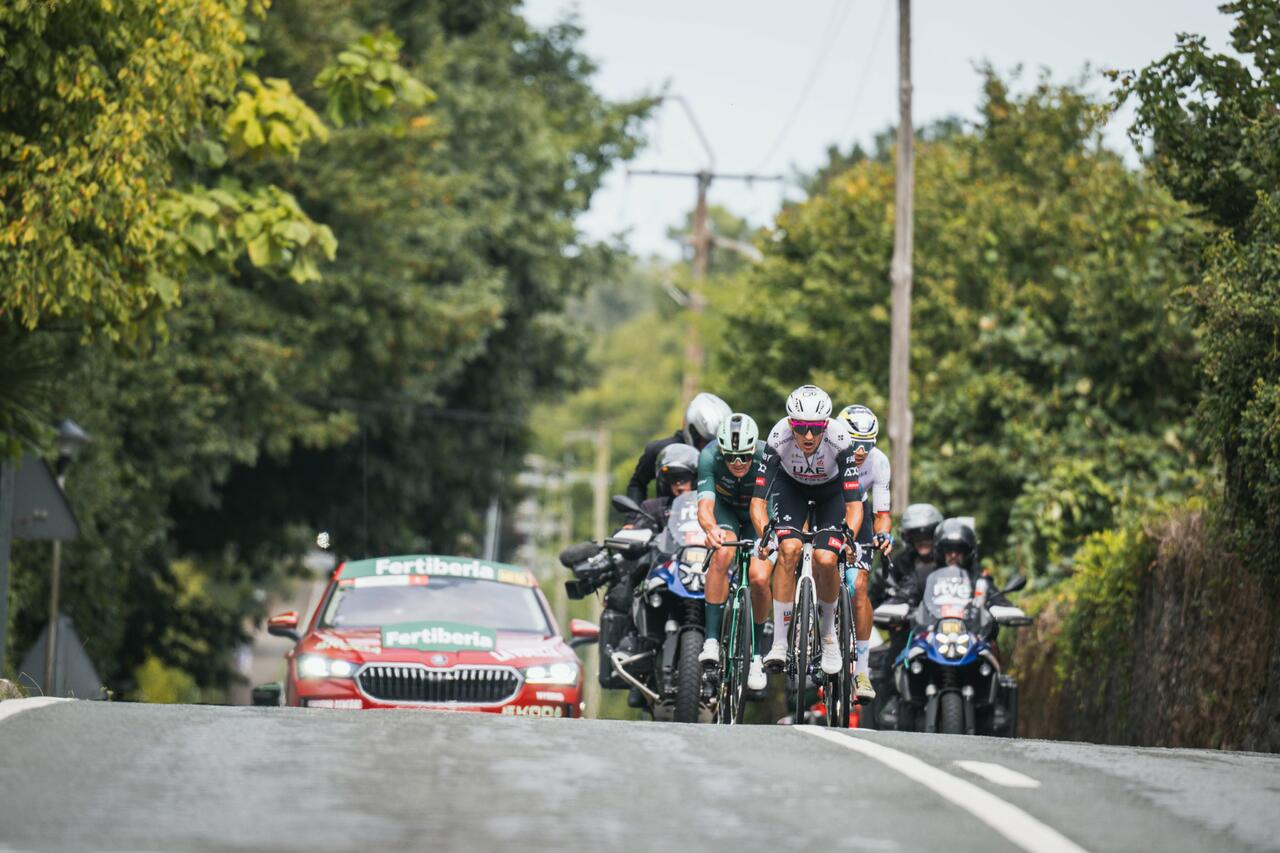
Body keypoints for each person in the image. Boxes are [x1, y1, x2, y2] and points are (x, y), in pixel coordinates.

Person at [748, 385, 868, 695]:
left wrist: (849, 538)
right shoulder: (777, 438)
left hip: (831, 495)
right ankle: (778, 643)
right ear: (790, 424)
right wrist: (765, 534)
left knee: (826, 558)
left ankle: (828, 637)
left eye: (816, 428)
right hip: (792, 490)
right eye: (801, 428)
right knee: (789, 549)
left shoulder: (840, 439)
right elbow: (758, 504)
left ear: (826, 425)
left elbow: (855, 505)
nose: (809, 436)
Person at [695, 413, 771, 691]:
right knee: (723, 552)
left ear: (754, 451)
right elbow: (704, 507)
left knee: (760, 577)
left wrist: (768, 538)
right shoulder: (708, 457)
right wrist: (711, 530)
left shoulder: (768, 456)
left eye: (744, 458)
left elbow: (773, 503)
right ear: (721, 453)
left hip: (760, 512)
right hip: (725, 511)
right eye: (730, 458)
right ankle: (712, 640)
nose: (737, 464)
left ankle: (757, 656)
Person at [835, 404, 894, 699]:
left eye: (867, 445)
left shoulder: (879, 463)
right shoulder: (829, 452)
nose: (860, 451)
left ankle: (862, 670)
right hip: (828, 509)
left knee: (858, 586)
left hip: (860, 515)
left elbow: (882, 512)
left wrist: (883, 533)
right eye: (855, 443)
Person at [626, 392, 731, 503]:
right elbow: (637, 484)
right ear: (693, 432)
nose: (711, 449)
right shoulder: (661, 451)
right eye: (705, 442)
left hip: (715, 517)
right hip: (668, 518)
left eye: (718, 444)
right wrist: (633, 518)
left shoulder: (731, 457)